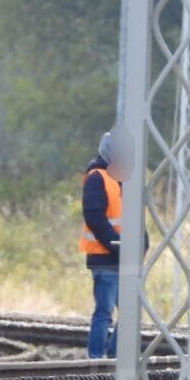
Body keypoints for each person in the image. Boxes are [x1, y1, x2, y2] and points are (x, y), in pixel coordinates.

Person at [80, 132, 122, 359]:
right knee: (104, 312)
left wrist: (140, 243)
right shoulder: (97, 177)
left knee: (129, 313)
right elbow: (94, 216)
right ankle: (96, 360)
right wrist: (118, 245)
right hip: (104, 258)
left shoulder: (123, 177)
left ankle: (113, 357)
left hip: (122, 257)